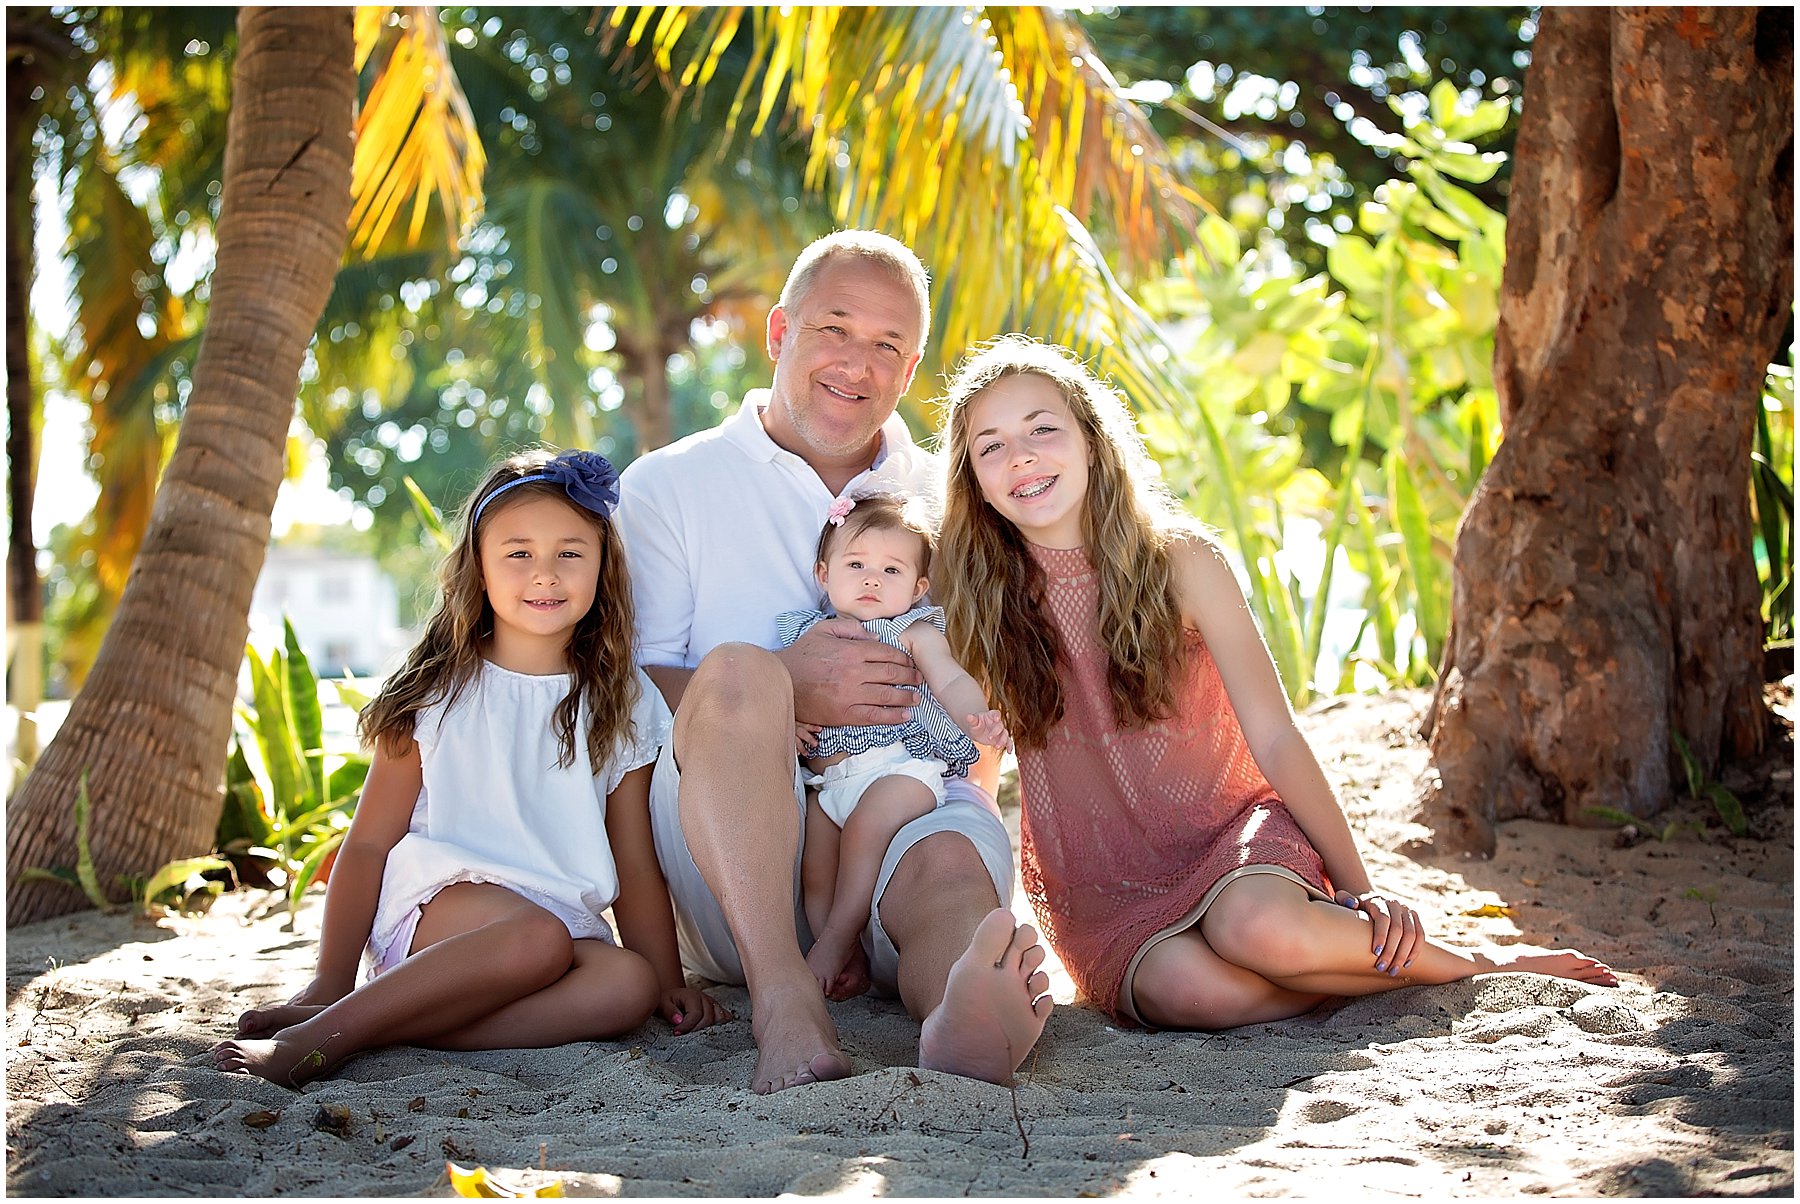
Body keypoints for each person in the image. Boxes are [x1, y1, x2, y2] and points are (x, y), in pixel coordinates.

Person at [934, 335, 1619, 1031]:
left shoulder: (1182, 562)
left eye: (1042, 428)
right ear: (973, 479)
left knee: (1259, 933)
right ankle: (1366, 981)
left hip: (1229, 835)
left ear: (1091, 440)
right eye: (990, 446)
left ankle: (1475, 966)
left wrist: (1361, 891)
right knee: (1197, 997)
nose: (1020, 456)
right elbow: (977, 771)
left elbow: (1275, 734)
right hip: (1105, 885)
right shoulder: (975, 600)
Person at [614, 230, 1053, 1095]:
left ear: (912, 364)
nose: (858, 362)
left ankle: (963, 1010)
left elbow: (989, 696)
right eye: (835, 328)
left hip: (896, 803)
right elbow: (629, 688)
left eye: (888, 344)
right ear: (779, 332)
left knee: (953, 869)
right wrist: (785, 680)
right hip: (725, 850)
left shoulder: (953, 498)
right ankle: (783, 994)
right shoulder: (668, 486)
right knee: (739, 669)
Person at [214, 449, 730, 1089]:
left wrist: (667, 982)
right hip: (442, 908)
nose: (545, 574)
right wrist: (330, 978)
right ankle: (321, 1037)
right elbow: (370, 842)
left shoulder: (623, 700)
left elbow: (632, 858)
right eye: (519, 554)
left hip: (564, 924)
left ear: (603, 568)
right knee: (534, 939)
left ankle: (386, 1028)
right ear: (479, 571)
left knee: (627, 985)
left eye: (570, 553)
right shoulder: (438, 691)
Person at [780, 492, 1013, 999]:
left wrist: (977, 717)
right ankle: (846, 955)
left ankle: (835, 941)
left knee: (864, 829)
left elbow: (950, 680)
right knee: (816, 864)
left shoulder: (913, 631)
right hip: (829, 781)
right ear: (824, 574)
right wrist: (790, 722)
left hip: (902, 771)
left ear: (918, 586)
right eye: (856, 564)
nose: (871, 579)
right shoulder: (807, 636)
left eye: (891, 570)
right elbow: (785, 694)